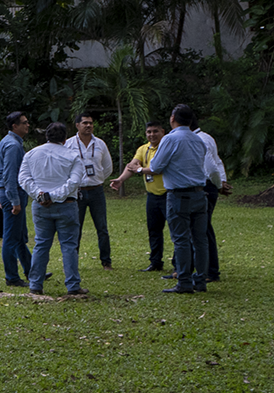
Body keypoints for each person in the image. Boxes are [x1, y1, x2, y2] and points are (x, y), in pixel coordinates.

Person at [137, 104, 208, 294]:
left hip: (179, 194)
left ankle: (184, 281)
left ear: (172, 119)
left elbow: (156, 166)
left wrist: (138, 170)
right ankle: (200, 280)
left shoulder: (170, 139)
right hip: (200, 194)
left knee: (181, 239)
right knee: (200, 240)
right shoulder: (199, 139)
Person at [19, 122, 88, 296]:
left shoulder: (31, 154)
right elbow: (74, 181)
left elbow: (24, 178)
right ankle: (72, 285)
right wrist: (56, 195)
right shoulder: (72, 156)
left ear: (46, 136)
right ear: (65, 138)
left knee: (41, 244)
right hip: (67, 204)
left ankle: (35, 284)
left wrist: (40, 195)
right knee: (69, 246)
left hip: (41, 205)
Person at [110, 122, 167, 271]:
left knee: (176, 231)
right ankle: (155, 262)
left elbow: (156, 169)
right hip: (152, 196)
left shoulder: (167, 147)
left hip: (169, 195)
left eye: (155, 131)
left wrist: (140, 169)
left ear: (163, 131)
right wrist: (121, 179)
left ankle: (179, 264)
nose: (152, 135)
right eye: (149, 132)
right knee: (154, 230)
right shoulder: (144, 149)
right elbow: (132, 165)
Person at [66, 113, 114, 270]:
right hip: (77, 192)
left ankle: (106, 261)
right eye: (85, 123)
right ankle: (73, 261)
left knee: (102, 228)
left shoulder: (100, 144)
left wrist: (97, 179)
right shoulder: (69, 144)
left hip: (96, 191)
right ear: (77, 125)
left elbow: (107, 167)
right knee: (75, 228)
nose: (88, 126)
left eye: (91, 123)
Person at [0, 112, 33, 286]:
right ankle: (12, 277)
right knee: (10, 238)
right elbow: (9, 175)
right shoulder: (13, 146)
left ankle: (32, 269)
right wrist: (14, 200)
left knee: (17, 236)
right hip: (13, 193)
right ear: (14, 126)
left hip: (8, 193)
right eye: (24, 123)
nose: (28, 125)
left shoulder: (7, 141)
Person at [195, 123, 232, 282]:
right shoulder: (206, 137)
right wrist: (221, 181)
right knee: (203, 228)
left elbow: (211, 167)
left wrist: (218, 184)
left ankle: (210, 271)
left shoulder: (198, 140)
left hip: (205, 185)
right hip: (210, 184)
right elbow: (218, 162)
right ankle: (204, 269)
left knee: (202, 229)